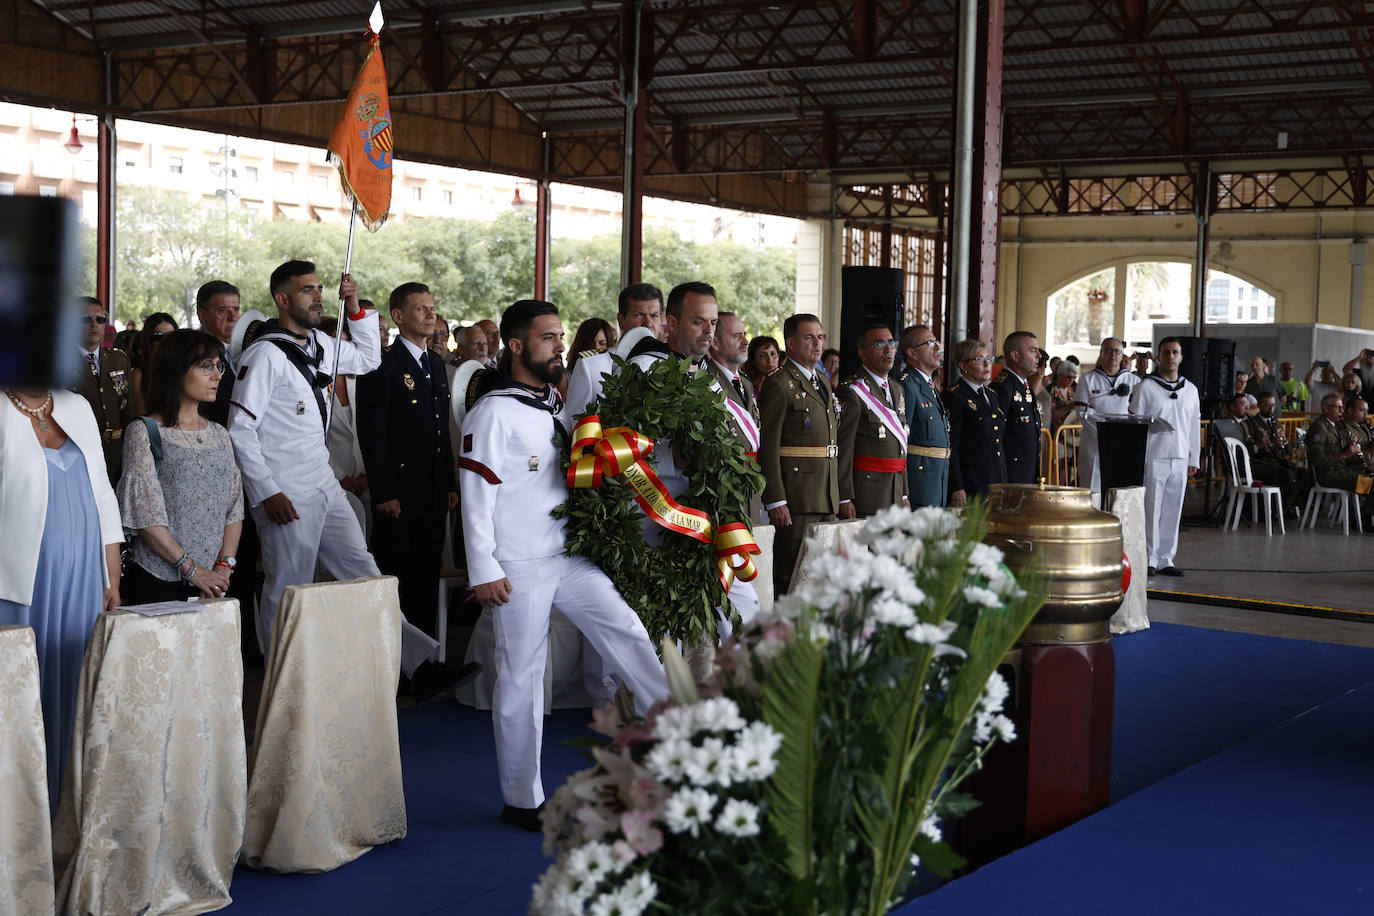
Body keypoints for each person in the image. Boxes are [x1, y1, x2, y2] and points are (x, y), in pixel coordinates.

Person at [459, 298, 668, 831]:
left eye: (559, 336)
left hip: (566, 553)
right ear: (516, 345)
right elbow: (475, 496)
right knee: (523, 675)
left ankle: (677, 733)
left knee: (627, 630)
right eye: (547, 337)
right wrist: (483, 567)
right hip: (519, 563)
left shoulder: (552, 400)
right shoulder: (492, 412)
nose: (559, 345)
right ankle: (521, 797)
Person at [228, 260, 461, 696]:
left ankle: (416, 664)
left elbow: (370, 358)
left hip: (323, 484)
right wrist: (266, 492)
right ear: (282, 299)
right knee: (287, 585)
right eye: (306, 291)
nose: (317, 297)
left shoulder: (320, 342)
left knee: (368, 575)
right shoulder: (264, 355)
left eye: (320, 289)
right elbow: (240, 430)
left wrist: (354, 306)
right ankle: (283, 687)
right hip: (286, 490)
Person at [0, 385, 123, 809]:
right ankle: (22, 819)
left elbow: (104, 495)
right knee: (20, 697)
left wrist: (112, 577)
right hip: (17, 586)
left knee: (76, 687)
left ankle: (67, 812)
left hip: (82, 583)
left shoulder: (77, 406)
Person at [357, 283, 460, 642]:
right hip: (398, 495)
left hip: (432, 492)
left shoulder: (434, 363)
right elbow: (374, 435)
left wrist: (448, 483)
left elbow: (440, 431)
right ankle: (395, 667)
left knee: (426, 580)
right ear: (398, 316)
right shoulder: (382, 365)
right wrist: (383, 490)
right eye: (421, 309)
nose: (431, 315)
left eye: (432, 308)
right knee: (396, 580)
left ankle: (427, 661)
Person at [118, 329, 243, 604]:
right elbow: (146, 516)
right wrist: (192, 569)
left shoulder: (220, 434)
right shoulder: (145, 432)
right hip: (159, 578)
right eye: (205, 366)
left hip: (215, 580)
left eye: (218, 365)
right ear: (176, 369)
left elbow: (234, 507)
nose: (217, 374)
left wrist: (225, 566)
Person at [758, 313, 839, 596]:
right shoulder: (779, 384)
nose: (817, 344)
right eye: (809, 337)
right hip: (796, 498)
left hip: (825, 493)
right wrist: (776, 500)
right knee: (790, 575)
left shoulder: (823, 382)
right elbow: (768, 447)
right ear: (790, 343)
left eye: (821, 337)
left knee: (818, 577)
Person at [1128, 337, 1200, 577]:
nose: (1171, 356)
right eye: (1166, 352)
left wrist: (1194, 458)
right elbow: (1135, 422)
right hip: (1153, 455)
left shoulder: (1190, 389)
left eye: (1175, 352)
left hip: (1179, 456)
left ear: (1181, 357)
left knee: (1172, 509)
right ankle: (1149, 557)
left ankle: (1165, 558)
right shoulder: (1146, 387)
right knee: (1151, 507)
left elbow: (1193, 425)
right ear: (1158, 357)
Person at [836, 324, 908, 518]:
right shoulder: (852, 390)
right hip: (867, 493)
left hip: (895, 489)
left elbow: (901, 444)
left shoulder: (897, 389)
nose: (888, 349)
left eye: (891, 343)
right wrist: (844, 497)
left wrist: (904, 492)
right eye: (879, 344)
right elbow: (844, 449)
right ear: (862, 352)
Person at [565, 283, 665, 414]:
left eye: (654, 315)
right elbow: (576, 421)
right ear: (621, 320)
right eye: (638, 315)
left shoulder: (675, 363)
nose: (647, 323)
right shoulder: (590, 365)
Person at [72, 295, 135, 484]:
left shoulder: (119, 359)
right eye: (86, 319)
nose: (94, 324)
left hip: (115, 452)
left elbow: (127, 407)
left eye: (100, 319)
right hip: (78, 452)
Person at [709, 310, 762, 523]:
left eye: (745, 334)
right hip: (723, 494)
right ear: (715, 342)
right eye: (737, 335)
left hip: (750, 490)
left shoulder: (746, 383)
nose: (746, 341)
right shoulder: (706, 383)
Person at [942, 339, 1006, 506]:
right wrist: (957, 485)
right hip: (971, 481)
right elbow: (952, 445)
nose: (986, 364)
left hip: (994, 479)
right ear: (963, 365)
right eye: (978, 359)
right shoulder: (955, 396)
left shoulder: (991, 395)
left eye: (988, 358)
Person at [1074, 337, 1139, 491]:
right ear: (1101, 354)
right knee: (1092, 490)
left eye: (1116, 351)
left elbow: (1137, 412)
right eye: (1108, 350)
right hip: (1094, 443)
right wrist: (1105, 432)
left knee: (1120, 491)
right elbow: (1083, 411)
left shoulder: (1134, 381)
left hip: (1124, 443)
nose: (1112, 354)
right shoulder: (1087, 380)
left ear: (1122, 355)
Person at [895, 324, 949, 508]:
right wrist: (902, 492)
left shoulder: (928, 385)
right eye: (930, 343)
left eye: (937, 342)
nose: (937, 347)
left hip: (937, 479)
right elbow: (899, 444)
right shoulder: (907, 385)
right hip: (918, 483)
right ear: (912, 353)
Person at [1220, 393, 1297, 516]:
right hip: (1238, 464)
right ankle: (1264, 511)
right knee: (1278, 474)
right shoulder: (1227, 422)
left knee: (1287, 470)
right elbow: (1236, 450)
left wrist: (1263, 443)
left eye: (1247, 404)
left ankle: (1278, 508)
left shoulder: (1244, 421)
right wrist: (1257, 446)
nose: (1247, 407)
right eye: (1242, 404)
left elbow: (1249, 443)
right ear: (1232, 407)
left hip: (1251, 461)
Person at [989, 331, 1042, 484]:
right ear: (1015, 356)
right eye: (1032, 351)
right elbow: (996, 437)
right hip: (1011, 475)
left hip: (1027, 471)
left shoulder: (1023, 385)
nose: (1039, 355)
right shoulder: (1003, 387)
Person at [129, 312, 178, 417]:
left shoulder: (184, 370)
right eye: (158, 336)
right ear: (148, 339)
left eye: (170, 335)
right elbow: (142, 416)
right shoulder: (138, 375)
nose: (165, 340)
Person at [743, 335, 781, 399]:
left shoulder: (787, 383)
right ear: (753, 360)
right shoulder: (747, 388)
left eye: (773, 354)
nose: (770, 360)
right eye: (762, 355)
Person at [1048, 360, 1079, 431]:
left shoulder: (1071, 390)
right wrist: (1069, 406)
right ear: (1060, 375)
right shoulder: (1051, 391)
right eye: (1069, 377)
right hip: (1056, 431)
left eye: (1074, 377)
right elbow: (1051, 416)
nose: (1071, 380)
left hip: (1070, 432)